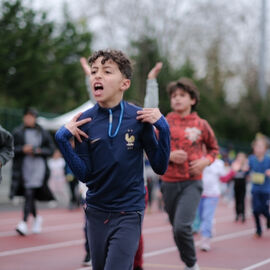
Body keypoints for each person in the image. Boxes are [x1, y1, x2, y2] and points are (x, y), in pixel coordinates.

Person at [55, 49, 170, 270]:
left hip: (129, 212)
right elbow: (85, 175)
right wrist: (62, 141)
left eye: (107, 72)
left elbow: (160, 166)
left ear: (124, 84)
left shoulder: (139, 118)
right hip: (96, 211)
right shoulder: (84, 121)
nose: (97, 76)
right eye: (94, 71)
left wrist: (163, 128)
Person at [150, 76, 218, 270]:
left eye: (182, 95)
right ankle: (189, 261)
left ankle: (191, 264)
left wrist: (205, 161)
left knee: (182, 227)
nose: (177, 99)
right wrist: (169, 155)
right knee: (176, 228)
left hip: (192, 182)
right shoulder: (162, 122)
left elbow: (214, 149)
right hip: (169, 183)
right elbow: (152, 149)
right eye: (174, 96)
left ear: (192, 100)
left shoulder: (201, 125)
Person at [10, 107, 55, 236]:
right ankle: (36, 218)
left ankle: (23, 222)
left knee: (29, 192)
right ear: (24, 117)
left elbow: (51, 149)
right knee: (29, 194)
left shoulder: (43, 132)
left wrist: (39, 151)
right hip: (24, 168)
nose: (29, 119)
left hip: (39, 168)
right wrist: (22, 149)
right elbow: (10, 149)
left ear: (35, 118)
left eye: (32, 117)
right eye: (27, 117)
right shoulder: (17, 132)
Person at [248, 134, 270, 237]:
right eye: (257, 146)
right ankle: (258, 230)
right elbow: (247, 170)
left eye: (261, 146)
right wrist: (244, 171)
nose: (258, 149)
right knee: (255, 210)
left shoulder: (268, 159)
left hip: (266, 189)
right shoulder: (251, 159)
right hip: (255, 189)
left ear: (265, 149)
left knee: (264, 209)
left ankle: (269, 219)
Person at [230, 152, 249, 222]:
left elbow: (246, 171)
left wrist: (242, 166)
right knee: (237, 199)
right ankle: (237, 214)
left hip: (242, 183)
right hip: (236, 183)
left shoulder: (246, 164)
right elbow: (234, 170)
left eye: (241, 157)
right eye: (239, 157)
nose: (240, 159)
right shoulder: (234, 163)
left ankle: (243, 214)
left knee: (242, 199)